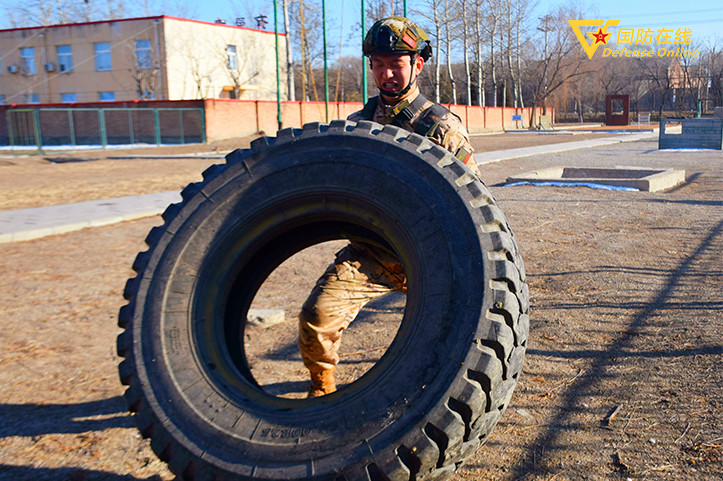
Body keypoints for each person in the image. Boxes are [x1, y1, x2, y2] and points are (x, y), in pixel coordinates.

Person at [298, 16, 481, 397]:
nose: (386, 75)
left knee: (454, 341)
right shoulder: (359, 124)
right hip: (375, 253)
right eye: (378, 65)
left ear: (417, 64)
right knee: (316, 317)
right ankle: (322, 391)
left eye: (396, 64)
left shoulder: (441, 128)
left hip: (434, 257)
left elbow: (474, 201)